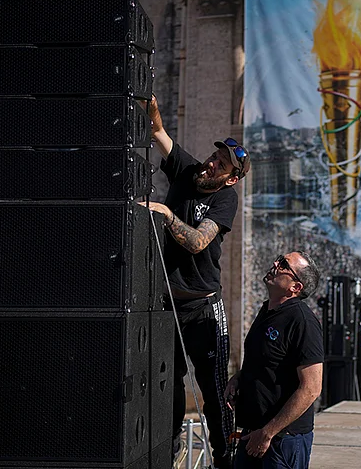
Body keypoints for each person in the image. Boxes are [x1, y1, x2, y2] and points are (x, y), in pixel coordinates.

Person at [144, 94, 251, 469]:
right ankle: (170, 453)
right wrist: (149, 105)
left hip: (204, 305)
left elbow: (199, 241)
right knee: (168, 381)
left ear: (232, 177)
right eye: (214, 156)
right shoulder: (188, 171)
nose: (211, 163)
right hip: (168, 303)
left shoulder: (226, 200)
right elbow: (158, 131)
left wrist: (168, 216)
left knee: (214, 389)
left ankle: (225, 458)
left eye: (221, 163)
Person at [225, 251, 324, 469]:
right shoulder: (267, 311)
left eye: (283, 264)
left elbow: (311, 389)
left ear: (295, 287)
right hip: (254, 432)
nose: (275, 263)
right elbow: (267, 362)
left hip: (281, 439)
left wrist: (269, 432)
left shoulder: (303, 322)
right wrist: (239, 378)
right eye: (279, 258)